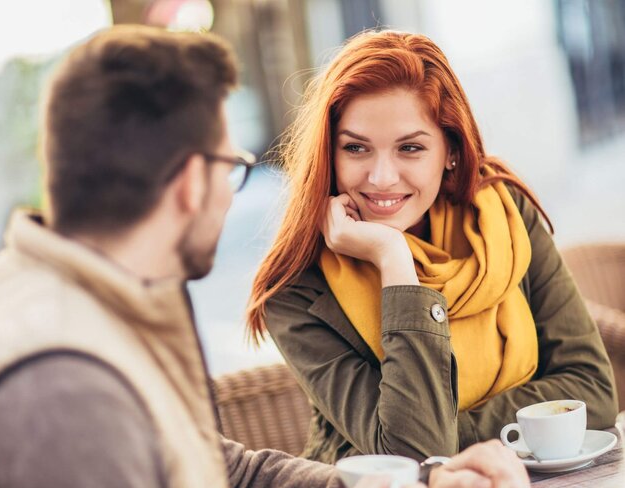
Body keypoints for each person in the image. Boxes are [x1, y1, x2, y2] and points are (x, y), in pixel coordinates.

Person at [0, 25, 529, 488]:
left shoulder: (90, 297)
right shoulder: (61, 392)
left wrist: (418, 486)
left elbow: (229, 476)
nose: (231, 194)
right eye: (232, 166)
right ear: (192, 183)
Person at [247, 29, 618, 464]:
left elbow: (593, 390)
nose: (382, 177)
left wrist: (448, 431)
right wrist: (393, 260)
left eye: (410, 148)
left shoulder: (502, 214)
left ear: (451, 151)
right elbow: (414, 453)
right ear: (329, 154)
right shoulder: (299, 288)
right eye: (356, 148)